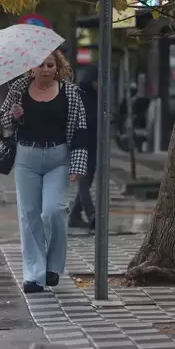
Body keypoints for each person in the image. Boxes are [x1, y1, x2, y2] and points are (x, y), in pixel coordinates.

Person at [0, 50, 88, 294]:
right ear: (31, 69)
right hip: (27, 159)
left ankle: (53, 267)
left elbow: (80, 127)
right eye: (41, 65)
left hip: (58, 160)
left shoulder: (69, 92)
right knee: (29, 216)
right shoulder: (18, 89)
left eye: (51, 65)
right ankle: (34, 275)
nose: (46, 69)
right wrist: (14, 116)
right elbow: (4, 122)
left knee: (54, 211)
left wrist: (78, 165)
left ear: (57, 68)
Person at [69, 68, 98, 229]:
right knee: (84, 180)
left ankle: (74, 215)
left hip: (93, 143)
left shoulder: (97, 96)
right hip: (80, 144)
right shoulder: (78, 94)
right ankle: (90, 212)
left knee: (89, 178)